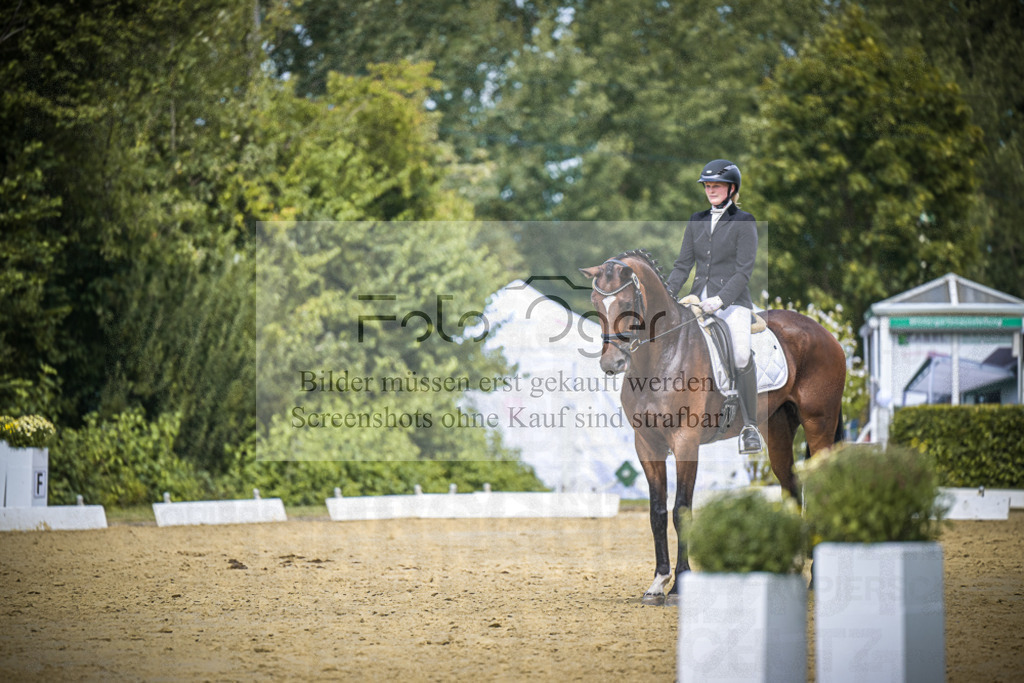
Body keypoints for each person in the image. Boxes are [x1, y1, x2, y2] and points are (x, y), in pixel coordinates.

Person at [665, 159, 761, 454]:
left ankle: (750, 426)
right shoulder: (696, 219)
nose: (711, 190)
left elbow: (744, 271)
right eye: (707, 186)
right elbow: (683, 265)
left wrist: (720, 300)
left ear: (732, 189)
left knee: (742, 354)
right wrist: (667, 295)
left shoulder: (744, 222)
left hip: (731, 302)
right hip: (696, 299)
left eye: (716, 186)